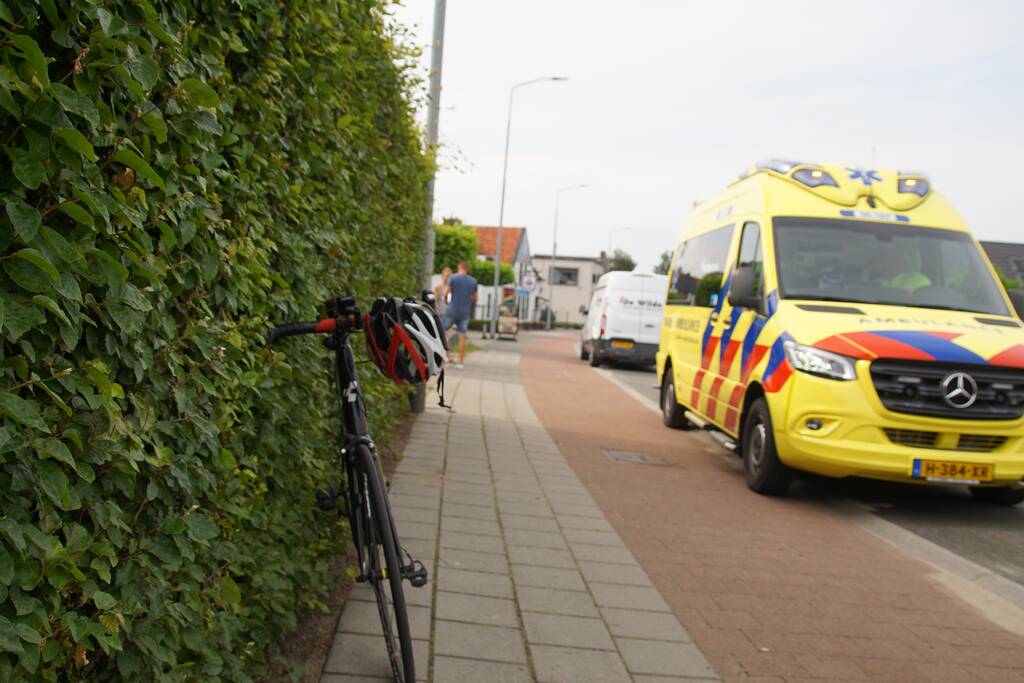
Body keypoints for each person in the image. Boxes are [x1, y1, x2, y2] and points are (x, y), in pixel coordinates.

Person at [443, 261, 478, 369]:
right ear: (467, 269)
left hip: (452, 309)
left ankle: (446, 357)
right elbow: (475, 299)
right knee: (462, 336)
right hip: (464, 311)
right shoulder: (473, 281)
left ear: (459, 268)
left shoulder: (453, 278)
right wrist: (468, 300)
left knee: (443, 332)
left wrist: (447, 302)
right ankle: (461, 362)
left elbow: (447, 293)